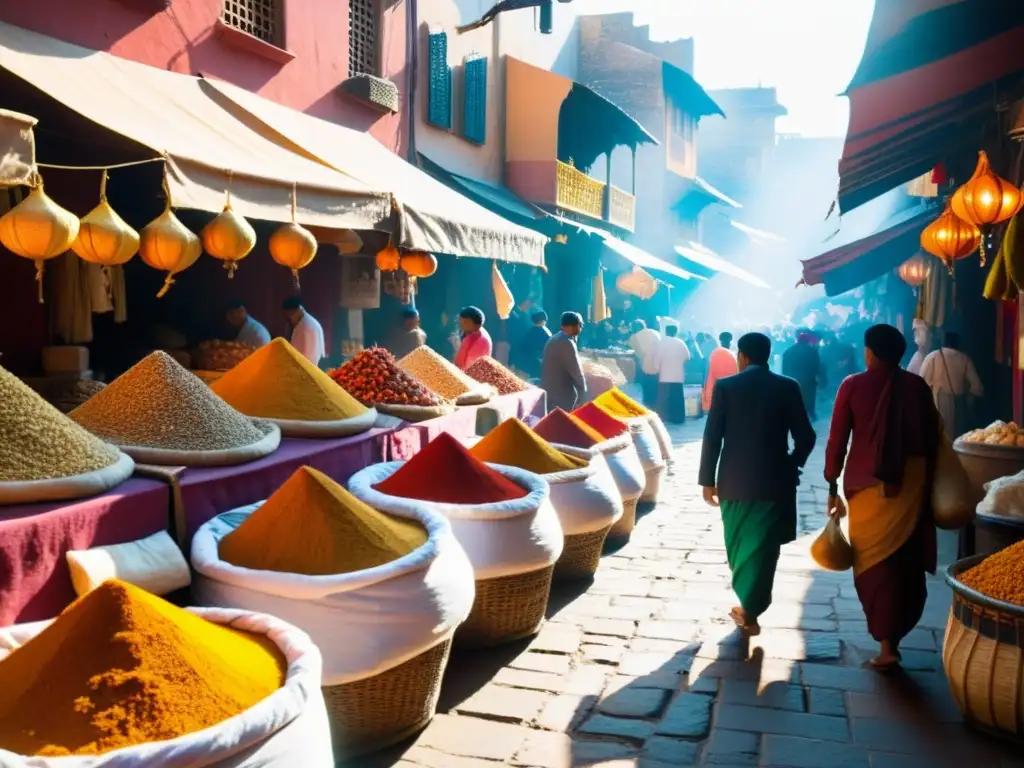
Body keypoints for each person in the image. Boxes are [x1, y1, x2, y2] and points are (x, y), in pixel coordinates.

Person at [824, 324, 940, 669]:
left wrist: (832, 484)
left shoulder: (852, 385)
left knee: (874, 565)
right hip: (911, 485)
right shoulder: (917, 387)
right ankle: (894, 639)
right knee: (903, 562)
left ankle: (887, 645)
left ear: (870, 353)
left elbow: (837, 440)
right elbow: (932, 436)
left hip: (865, 488)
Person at [699, 332, 816, 636]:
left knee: (738, 544)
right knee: (764, 549)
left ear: (742, 356)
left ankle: (749, 608)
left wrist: (706, 481)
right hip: (775, 482)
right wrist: (791, 464)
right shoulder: (788, 386)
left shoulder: (726, 387)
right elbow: (807, 437)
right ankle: (752, 607)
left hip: (734, 482)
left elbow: (713, 436)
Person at [918, 331, 982, 439]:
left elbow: (920, 382)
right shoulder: (964, 358)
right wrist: (969, 404)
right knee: (957, 440)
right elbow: (977, 387)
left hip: (938, 403)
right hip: (960, 405)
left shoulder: (933, 356)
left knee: (940, 438)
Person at [542, 311, 587, 411]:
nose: (581, 328)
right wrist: (583, 392)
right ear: (574, 326)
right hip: (561, 395)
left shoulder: (554, 338)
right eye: (580, 325)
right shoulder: (567, 342)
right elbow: (576, 372)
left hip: (549, 391)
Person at [782, 329, 825, 420]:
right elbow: (816, 365)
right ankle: (810, 414)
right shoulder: (812, 351)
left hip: (792, 378)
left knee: (794, 398)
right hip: (808, 380)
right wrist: (817, 376)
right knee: (809, 397)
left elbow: (784, 368)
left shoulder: (788, 351)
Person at [652, 324, 690, 424]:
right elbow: (687, 357)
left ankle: (664, 417)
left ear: (666, 331)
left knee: (664, 398)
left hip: (664, 375)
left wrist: (656, 369)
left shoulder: (661, 342)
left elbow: (656, 358)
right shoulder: (681, 342)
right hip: (678, 375)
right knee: (677, 398)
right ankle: (678, 418)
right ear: (676, 332)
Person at [282, 296, 325, 366]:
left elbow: (308, 356)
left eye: (291, 314)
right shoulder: (304, 323)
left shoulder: (307, 326)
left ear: (299, 309)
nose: (290, 318)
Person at [702, 331, 739, 413]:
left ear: (719, 340)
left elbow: (710, 374)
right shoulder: (734, 354)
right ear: (731, 339)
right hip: (733, 390)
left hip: (718, 390)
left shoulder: (715, 353)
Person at [628, 319, 660, 406]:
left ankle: (649, 409)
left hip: (646, 368)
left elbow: (634, 352)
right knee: (656, 390)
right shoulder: (655, 332)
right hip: (659, 366)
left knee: (647, 392)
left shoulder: (634, 337)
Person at [454, 306, 493, 370]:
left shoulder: (478, 341)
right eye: (460, 321)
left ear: (477, 325)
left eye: (466, 323)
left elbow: (465, 367)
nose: (461, 324)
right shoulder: (472, 332)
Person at [519, 310, 552, 380]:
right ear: (543, 320)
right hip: (542, 362)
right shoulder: (546, 333)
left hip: (528, 362)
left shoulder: (528, 332)